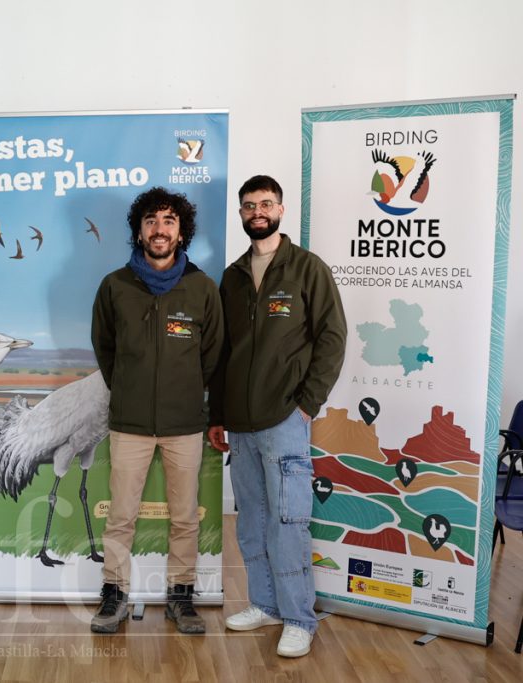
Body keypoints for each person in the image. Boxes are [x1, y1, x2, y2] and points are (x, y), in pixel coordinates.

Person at [208, 175, 346, 657]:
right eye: (249, 206)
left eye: (266, 204)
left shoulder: (307, 268)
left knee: (288, 522)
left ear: (281, 210)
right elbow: (222, 352)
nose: (258, 212)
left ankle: (299, 618)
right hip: (240, 424)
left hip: (285, 417)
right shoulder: (232, 276)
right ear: (241, 214)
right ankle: (265, 604)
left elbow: (332, 339)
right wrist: (218, 414)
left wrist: (308, 403)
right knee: (252, 521)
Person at [90, 186, 224, 634]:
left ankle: (181, 597)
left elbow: (212, 355)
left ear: (181, 231)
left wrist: (184, 393)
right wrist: (130, 389)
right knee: (121, 516)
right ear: (139, 231)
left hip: (183, 424)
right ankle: (114, 595)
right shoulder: (114, 286)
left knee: (185, 517)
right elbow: (105, 349)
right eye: (151, 221)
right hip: (129, 424)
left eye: (168, 221)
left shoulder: (202, 288)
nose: (159, 229)